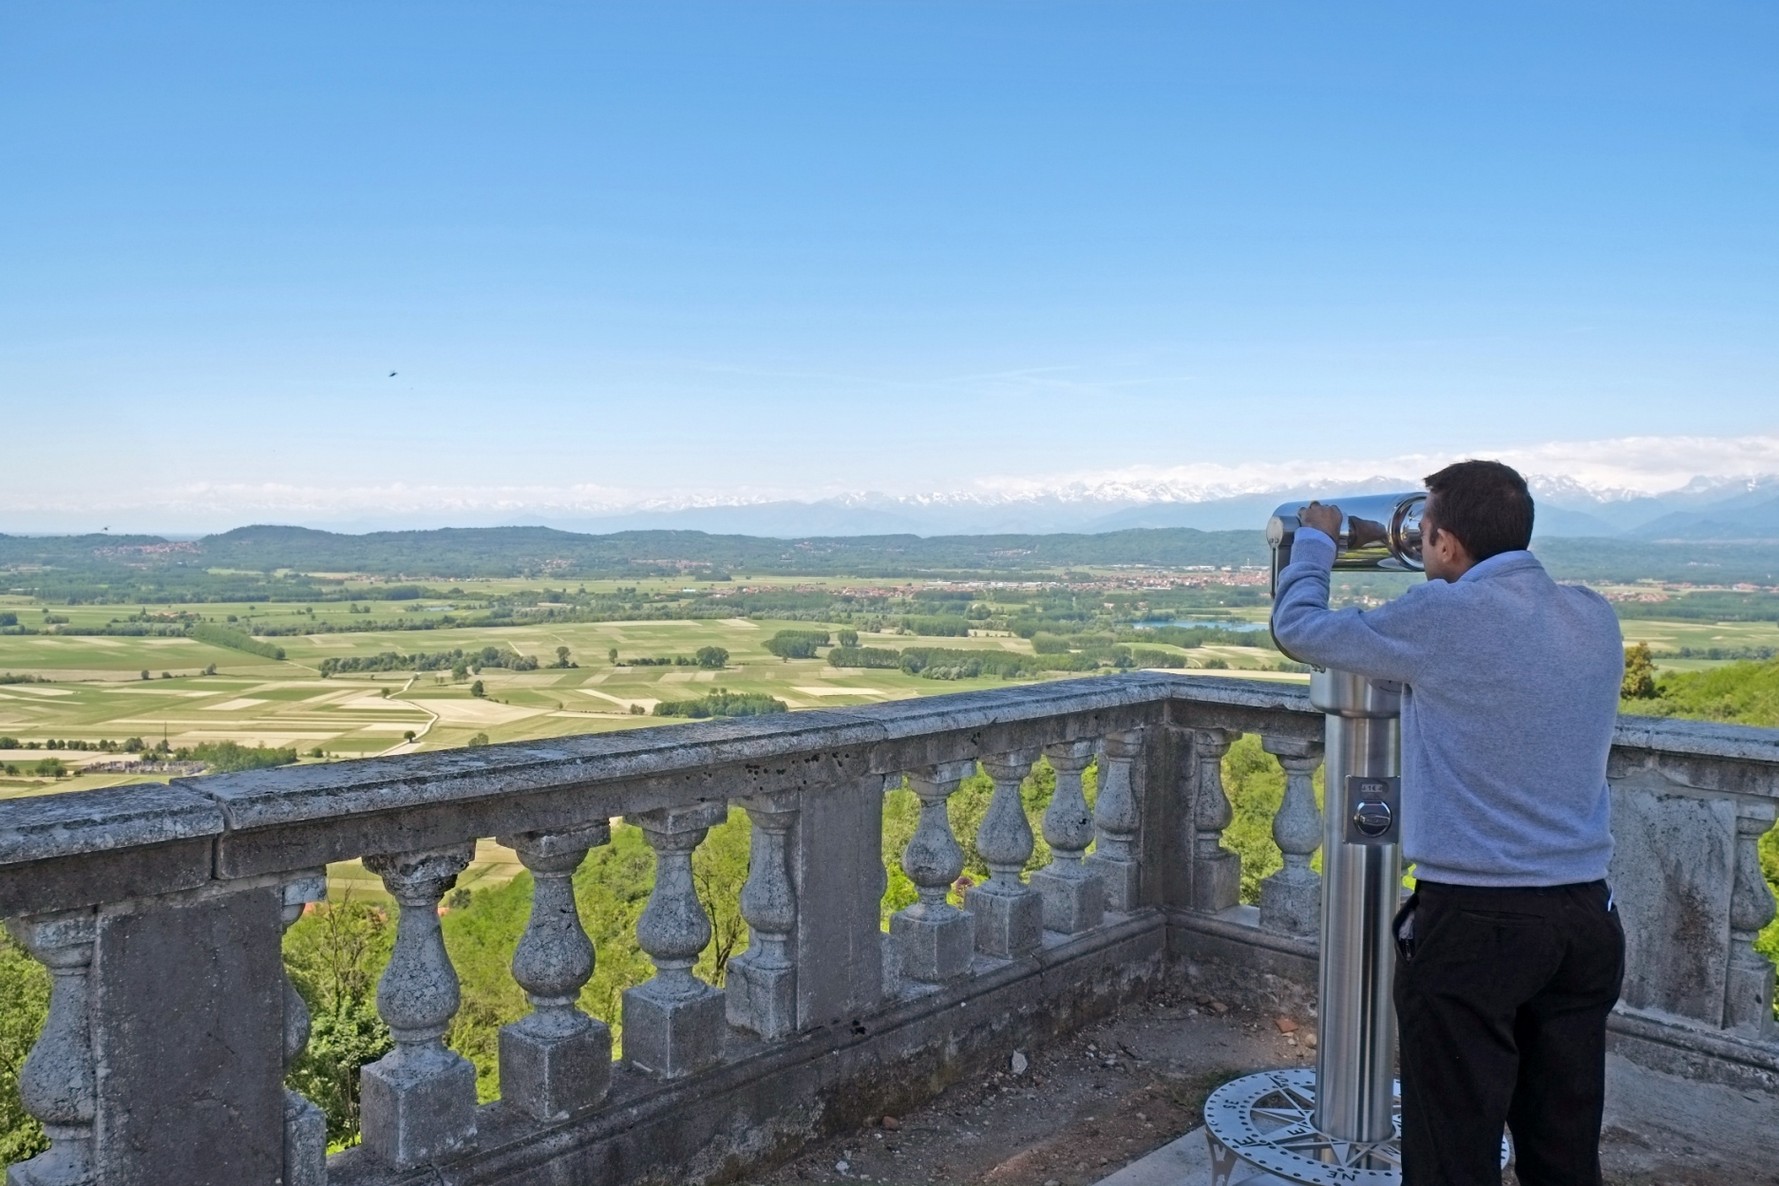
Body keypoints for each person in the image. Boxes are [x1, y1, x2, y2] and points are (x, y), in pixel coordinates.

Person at [1271, 459, 1626, 1186]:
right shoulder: (1593, 614)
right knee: (1562, 1147)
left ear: (1446, 545)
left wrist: (1313, 543)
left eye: (1423, 532)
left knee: (1451, 1149)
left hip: (1477, 925)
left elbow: (1297, 626)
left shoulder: (1442, 620)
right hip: (1584, 918)